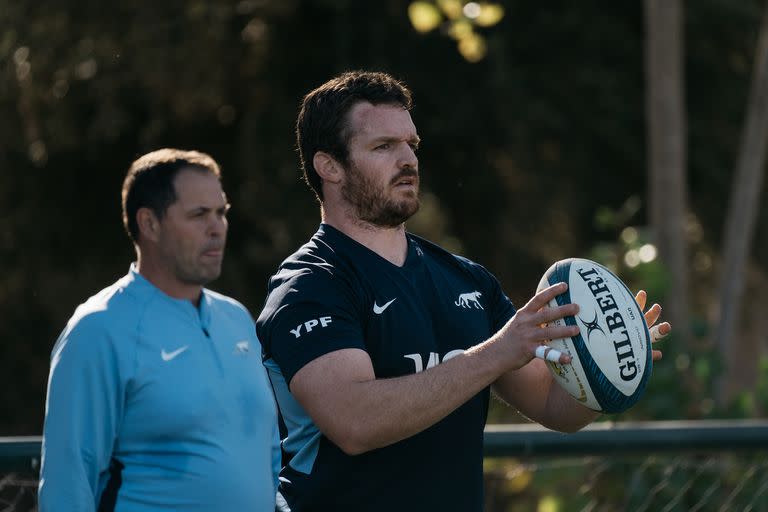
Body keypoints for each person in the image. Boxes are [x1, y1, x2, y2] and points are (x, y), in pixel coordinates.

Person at [256, 71, 670, 511]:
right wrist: (494, 353)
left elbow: (554, 407)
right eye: (383, 147)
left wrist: (608, 366)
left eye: (411, 145)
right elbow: (354, 422)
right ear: (329, 166)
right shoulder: (310, 286)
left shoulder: (467, 280)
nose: (408, 160)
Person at [39, 149, 280, 511]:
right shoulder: (96, 330)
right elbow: (67, 483)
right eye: (199, 215)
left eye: (221, 213)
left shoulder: (238, 319)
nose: (217, 229)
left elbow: (268, 454)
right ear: (149, 224)